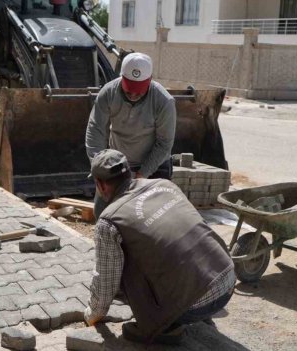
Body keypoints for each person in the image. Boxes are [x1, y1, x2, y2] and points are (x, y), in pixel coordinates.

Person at [83, 149, 235, 345]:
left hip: (195, 305)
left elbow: (106, 283)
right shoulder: (164, 184)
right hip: (227, 279)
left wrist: (92, 314)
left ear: (101, 185)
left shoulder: (110, 220)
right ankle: (194, 305)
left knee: (125, 263)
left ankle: (164, 328)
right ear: (128, 172)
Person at [85, 52, 176, 218]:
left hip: (153, 166)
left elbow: (164, 143)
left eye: (139, 91)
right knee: (103, 213)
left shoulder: (163, 101)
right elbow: (95, 130)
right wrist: (99, 166)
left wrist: (142, 174)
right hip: (117, 165)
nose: (133, 95)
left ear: (150, 80)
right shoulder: (109, 93)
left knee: (150, 217)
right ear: (121, 78)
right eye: (129, 90)